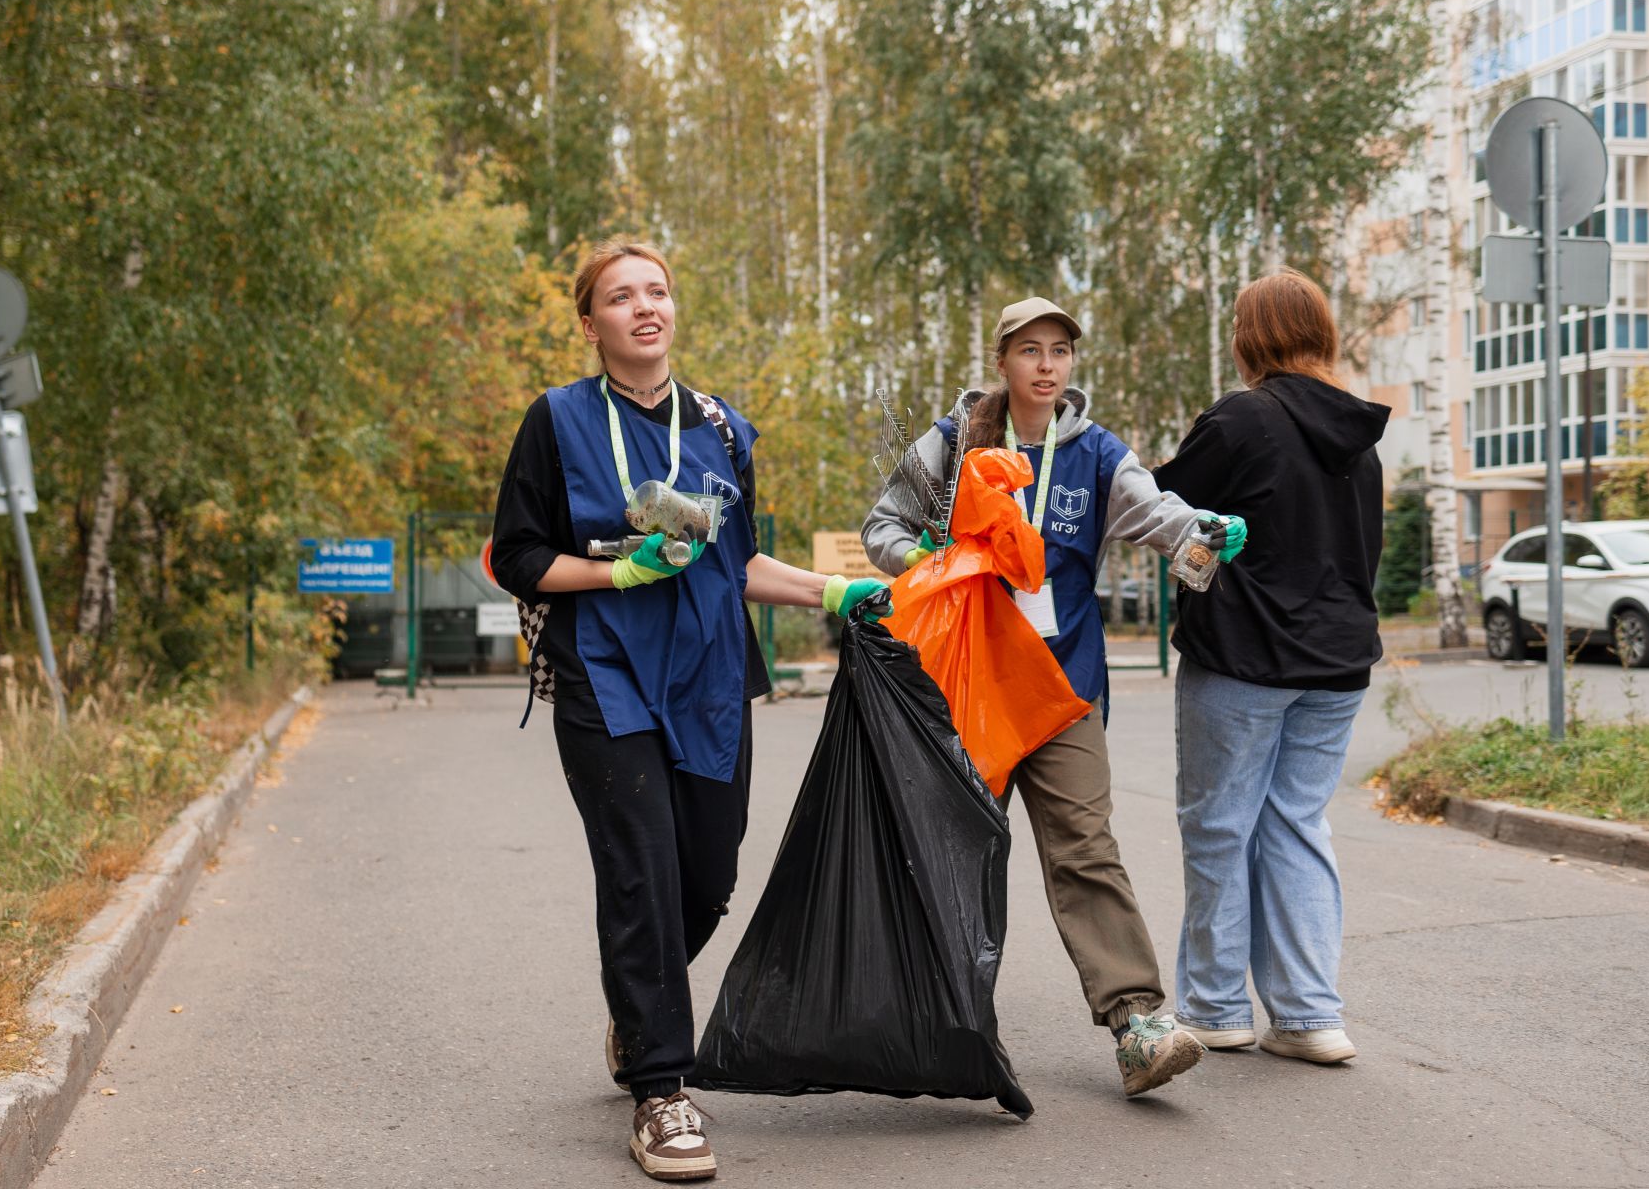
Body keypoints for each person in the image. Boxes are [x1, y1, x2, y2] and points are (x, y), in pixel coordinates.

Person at [491, 238, 888, 1183]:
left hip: (710, 679)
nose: (644, 308)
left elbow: (737, 563)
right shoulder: (555, 422)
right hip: (605, 675)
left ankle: (638, 1015)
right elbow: (514, 557)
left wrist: (834, 593)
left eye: (657, 291)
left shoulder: (720, 428)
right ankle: (662, 1090)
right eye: (620, 297)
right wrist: (613, 573)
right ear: (590, 324)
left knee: (706, 877)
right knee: (642, 873)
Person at [861, 296, 1247, 1098]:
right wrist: (926, 560)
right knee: (957, 849)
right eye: (1030, 350)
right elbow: (881, 527)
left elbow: (1155, 510)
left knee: (1085, 846)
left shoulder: (1098, 453)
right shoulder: (955, 440)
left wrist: (1202, 528)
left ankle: (1138, 1023)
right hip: (967, 687)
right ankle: (942, 1023)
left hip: (1064, 687)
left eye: (1060, 351)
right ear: (1001, 360)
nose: (1046, 364)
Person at [1151, 269, 1389, 1065]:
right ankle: (1311, 1015)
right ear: (1321, 331)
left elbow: (1158, 505)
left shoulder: (1243, 418)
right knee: (1296, 826)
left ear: (1248, 337)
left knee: (1219, 828)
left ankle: (1218, 1008)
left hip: (1245, 659)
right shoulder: (1360, 439)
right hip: (1338, 663)